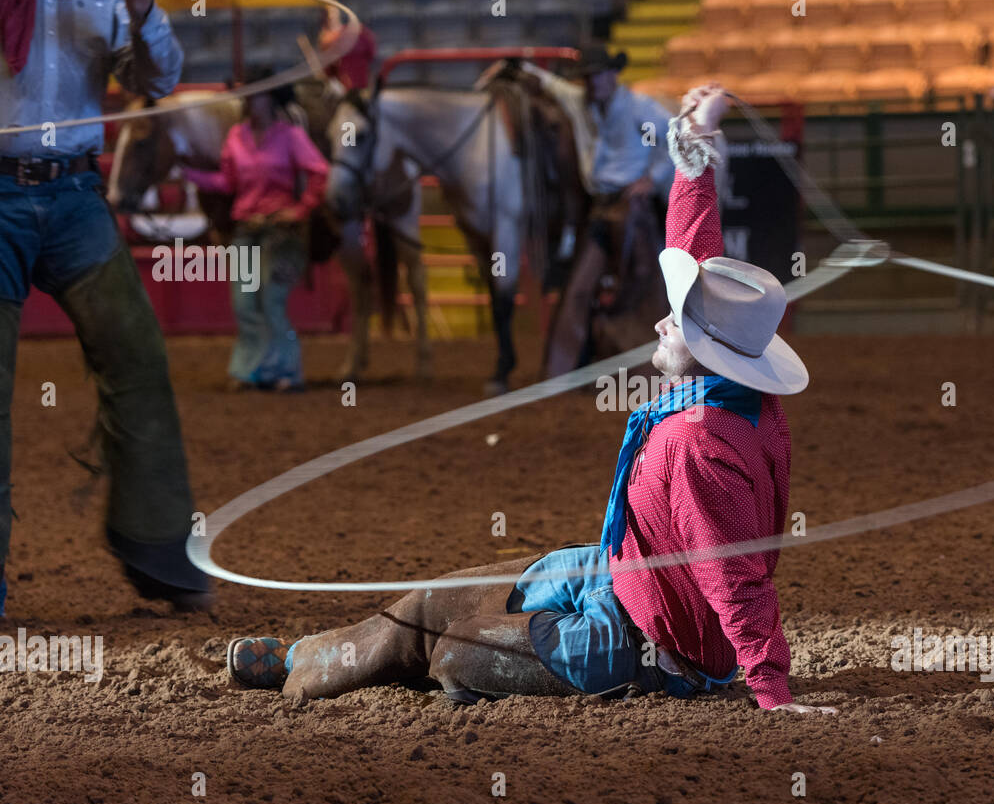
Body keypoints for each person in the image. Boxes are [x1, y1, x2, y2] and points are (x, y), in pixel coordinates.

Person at [226, 85, 836, 715]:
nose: (659, 324)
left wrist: (770, 690)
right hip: (622, 574)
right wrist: (697, 145)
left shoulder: (700, 445)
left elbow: (734, 578)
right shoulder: (729, 390)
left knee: (455, 647)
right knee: (440, 602)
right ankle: (305, 657)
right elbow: (693, 247)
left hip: (655, 645)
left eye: (675, 323)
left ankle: (344, 666)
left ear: (710, 351)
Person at [0, 0, 211, 615]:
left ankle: (159, 549)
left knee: (137, 353)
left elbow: (160, 82)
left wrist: (144, 7)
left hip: (75, 195)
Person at [516, 45, 677, 378]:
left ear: (612, 75)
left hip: (632, 209)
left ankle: (651, 372)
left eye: (597, 75)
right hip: (603, 209)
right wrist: (524, 69)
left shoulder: (638, 108)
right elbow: (556, 87)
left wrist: (653, 178)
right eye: (588, 77)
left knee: (640, 287)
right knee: (581, 286)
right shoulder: (584, 103)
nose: (592, 83)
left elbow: (675, 138)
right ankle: (563, 374)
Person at [183, 68, 329, 392]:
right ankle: (254, 370)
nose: (251, 100)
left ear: (271, 98)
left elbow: (319, 172)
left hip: (281, 231)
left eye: (257, 93)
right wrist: (192, 174)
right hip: (247, 230)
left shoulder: (290, 136)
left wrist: (301, 208)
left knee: (271, 300)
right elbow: (228, 181)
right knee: (246, 303)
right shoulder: (237, 136)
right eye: (249, 94)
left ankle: (286, 370)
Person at [317, 6, 375, 93]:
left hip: (361, 85)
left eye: (332, 12)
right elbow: (328, 70)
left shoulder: (359, 32)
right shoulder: (327, 40)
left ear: (337, 13)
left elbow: (370, 54)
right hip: (344, 89)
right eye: (326, 14)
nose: (330, 16)